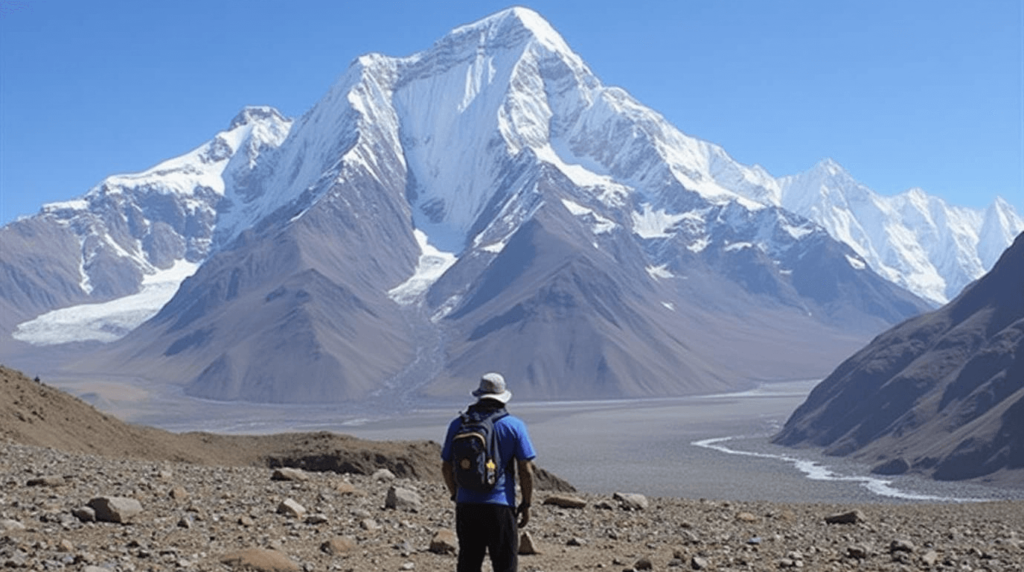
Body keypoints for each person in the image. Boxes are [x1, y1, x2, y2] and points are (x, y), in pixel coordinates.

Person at [441, 372, 536, 572]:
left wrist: (456, 495)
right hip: (500, 506)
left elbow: (446, 467)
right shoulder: (514, 426)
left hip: (466, 505)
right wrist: (526, 504)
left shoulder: (458, 425)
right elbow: (525, 470)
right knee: (504, 566)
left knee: (469, 563)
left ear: (479, 395)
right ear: (502, 397)